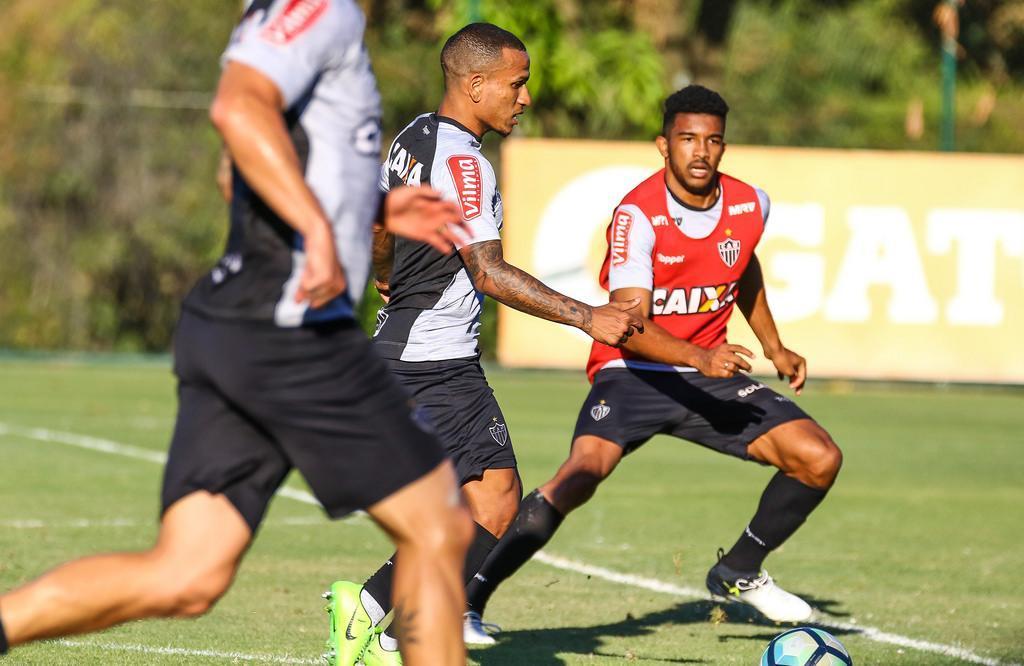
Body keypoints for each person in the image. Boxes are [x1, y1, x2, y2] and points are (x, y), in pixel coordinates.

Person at [0, 2, 476, 665]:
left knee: (186, 573)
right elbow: (237, 109)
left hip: (238, 323)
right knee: (439, 525)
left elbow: (242, 166)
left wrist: (367, 207)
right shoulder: (320, 6)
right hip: (291, 328)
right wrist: (316, 228)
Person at [461, 84, 844, 631]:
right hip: (634, 374)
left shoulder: (750, 203)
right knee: (579, 477)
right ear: (664, 145)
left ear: (724, 145)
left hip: (708, 374)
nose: (700, 151)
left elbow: (744, 266)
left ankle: (739, 568)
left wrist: (773, 346)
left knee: (818, 457)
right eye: (687, 139)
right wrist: (700, 357)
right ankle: (469, 600)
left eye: (712, 140)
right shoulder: (638, 216)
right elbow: (628, 324)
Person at [324, 22, 644, 666]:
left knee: (483, 501)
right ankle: (382, 623)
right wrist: (588, 317)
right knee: (495, 506)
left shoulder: (414, 135)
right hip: (434, 364)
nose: (525, 98)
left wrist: (385, 274)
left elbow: (378, 224)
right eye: (515, 84)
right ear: (475, 85)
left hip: (408, 356)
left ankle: (381, 619)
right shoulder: (465, 163)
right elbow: (489, 273)